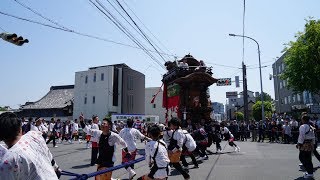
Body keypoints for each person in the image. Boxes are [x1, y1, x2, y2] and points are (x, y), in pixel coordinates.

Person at [0, 112, 61, 179]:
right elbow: (49, 156)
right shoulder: (34, 135)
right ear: (20, 128)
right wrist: (56, 168)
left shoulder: (7, 161)